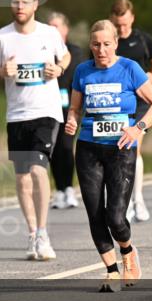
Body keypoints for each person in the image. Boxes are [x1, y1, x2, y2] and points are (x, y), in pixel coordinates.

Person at [65, 20, 152, 291]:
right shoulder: (83, 71)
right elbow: (74, 109)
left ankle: (128, 251)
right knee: (94, 213)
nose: (101, 50)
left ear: (115, 44)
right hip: (88, 148)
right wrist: (72, 120)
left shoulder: (129, 68)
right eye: (96, 44)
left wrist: (138, 128)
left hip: (121, 149)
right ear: (90, 45)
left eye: (107, 44)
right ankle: (110, 269)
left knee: (116, 216)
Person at [0, 0, 70, 261]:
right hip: (16, 115)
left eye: (24, 2)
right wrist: (2, 72)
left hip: (46, 113)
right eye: (15, 2)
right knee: (22, 178)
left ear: (35, 5)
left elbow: (66, 56)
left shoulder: (48, 34)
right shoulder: (1, 37)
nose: (19, 7)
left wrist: (58, 68)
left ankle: (44, 233)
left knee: (38, 170)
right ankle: (32, 233)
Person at [108, 0, 152, 222]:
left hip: (140, 102)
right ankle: (124, 200)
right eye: (118, 25)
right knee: (117, 153)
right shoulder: (109, 41)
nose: (122, 29)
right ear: (113, 20)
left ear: (132, 18)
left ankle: (137, 199)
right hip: (116, 103)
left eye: (125, 24)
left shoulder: (143, 39)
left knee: (134, 148)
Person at [47, 11, 83, 209]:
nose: (53, 30)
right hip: (47, 107)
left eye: (57, 26)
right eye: (49, 26)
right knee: (52, 149)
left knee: (67, 146)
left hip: (70, 107)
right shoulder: (43, 51)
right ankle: (59, 190)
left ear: (65, 29)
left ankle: (69, 188)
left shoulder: (75, 52)